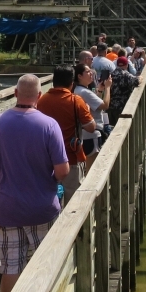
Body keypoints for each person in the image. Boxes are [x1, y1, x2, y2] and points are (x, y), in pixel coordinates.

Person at [0, 75, 69, 292]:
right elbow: (62, 171)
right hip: (41, 207)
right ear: (39, 95)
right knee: (45, 264)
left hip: (6, 208)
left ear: (16, 93)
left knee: (11, 268)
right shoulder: (49, 125)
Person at [37, 65, 96, 201]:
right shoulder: (76, 101)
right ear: (72, 83)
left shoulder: (41, 101)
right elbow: (91, 127)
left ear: (54, 81)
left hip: (47, 160)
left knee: (50, 198)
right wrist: (87, 110)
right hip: (71, 158)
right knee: (74, 201)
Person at [73, 63, 110, 170]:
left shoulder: (78, 90)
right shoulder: (84, 92)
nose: (91, 73)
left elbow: (95, 105)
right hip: (92, 134)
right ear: (79, 76)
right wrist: (108, 88)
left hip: (84, 133)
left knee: (86, 167)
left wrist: (100, 90)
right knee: (92, 169)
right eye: (88, 72)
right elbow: (105, 105)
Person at [109, 56, 141, 125]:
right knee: (121, 126)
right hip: (122, 106)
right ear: (126, 65)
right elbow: (136, 81)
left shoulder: (111, 74)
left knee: (112, 126)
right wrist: (140, 78)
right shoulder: (125, 74)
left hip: (110, 105)